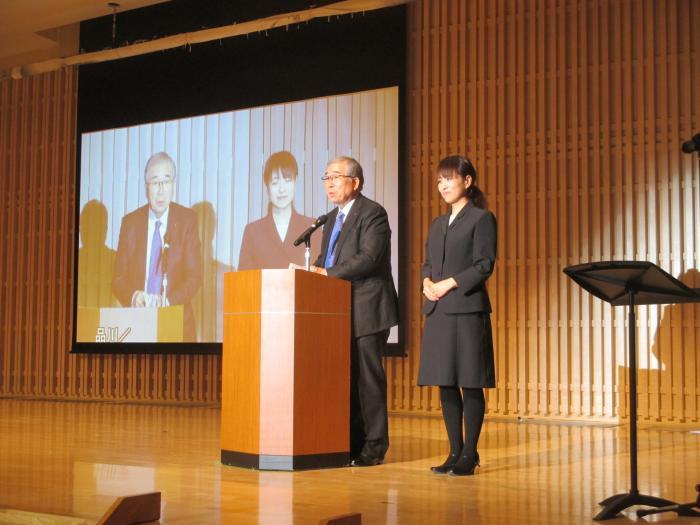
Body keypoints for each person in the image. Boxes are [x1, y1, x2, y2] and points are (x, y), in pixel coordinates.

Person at [311, 156, 399, 467]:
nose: (329, 183)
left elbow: (369, 258)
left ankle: (374, 448)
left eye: (336, 176)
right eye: (326, 177)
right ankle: (349, 443)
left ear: (355, 182)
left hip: (367, 308)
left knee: (367, 380)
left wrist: (326, 274)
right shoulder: (330, 220)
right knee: (345, 380)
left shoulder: (372, 213)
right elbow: (327, 258)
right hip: (338, 312)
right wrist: (312, 272)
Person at [418, 155, 497, 476]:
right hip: (438, 310)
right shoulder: (437, 224)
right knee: (445, 383)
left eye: (450, 179)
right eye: (440, 180)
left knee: (470, 382)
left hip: (466, 309)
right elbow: (428, 263)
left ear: (468, 181)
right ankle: (454, 451)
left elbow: (484, 264)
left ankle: (470, 453)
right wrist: (426, 283)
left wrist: (448, 283)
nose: (444, 185)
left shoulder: (482, 218)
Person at [112, 151, 202, 341]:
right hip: (136, 326)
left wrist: (167, 301)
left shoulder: (187, 221)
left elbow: (195, 277)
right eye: (155, 182)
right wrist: (133, 297)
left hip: (177, 325)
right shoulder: (130, 223)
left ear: (173, 185)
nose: (161, 190)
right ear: (146, 188)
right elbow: (118, 279)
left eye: (166, 181)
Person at [238, 151, 316, 270]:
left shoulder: (312, 228)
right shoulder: (253, 231)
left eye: (287, 180)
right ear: (267, 186)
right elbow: (244, 279)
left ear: (296, 181)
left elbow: (320, 274)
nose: (281, 189)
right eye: (275, 182)